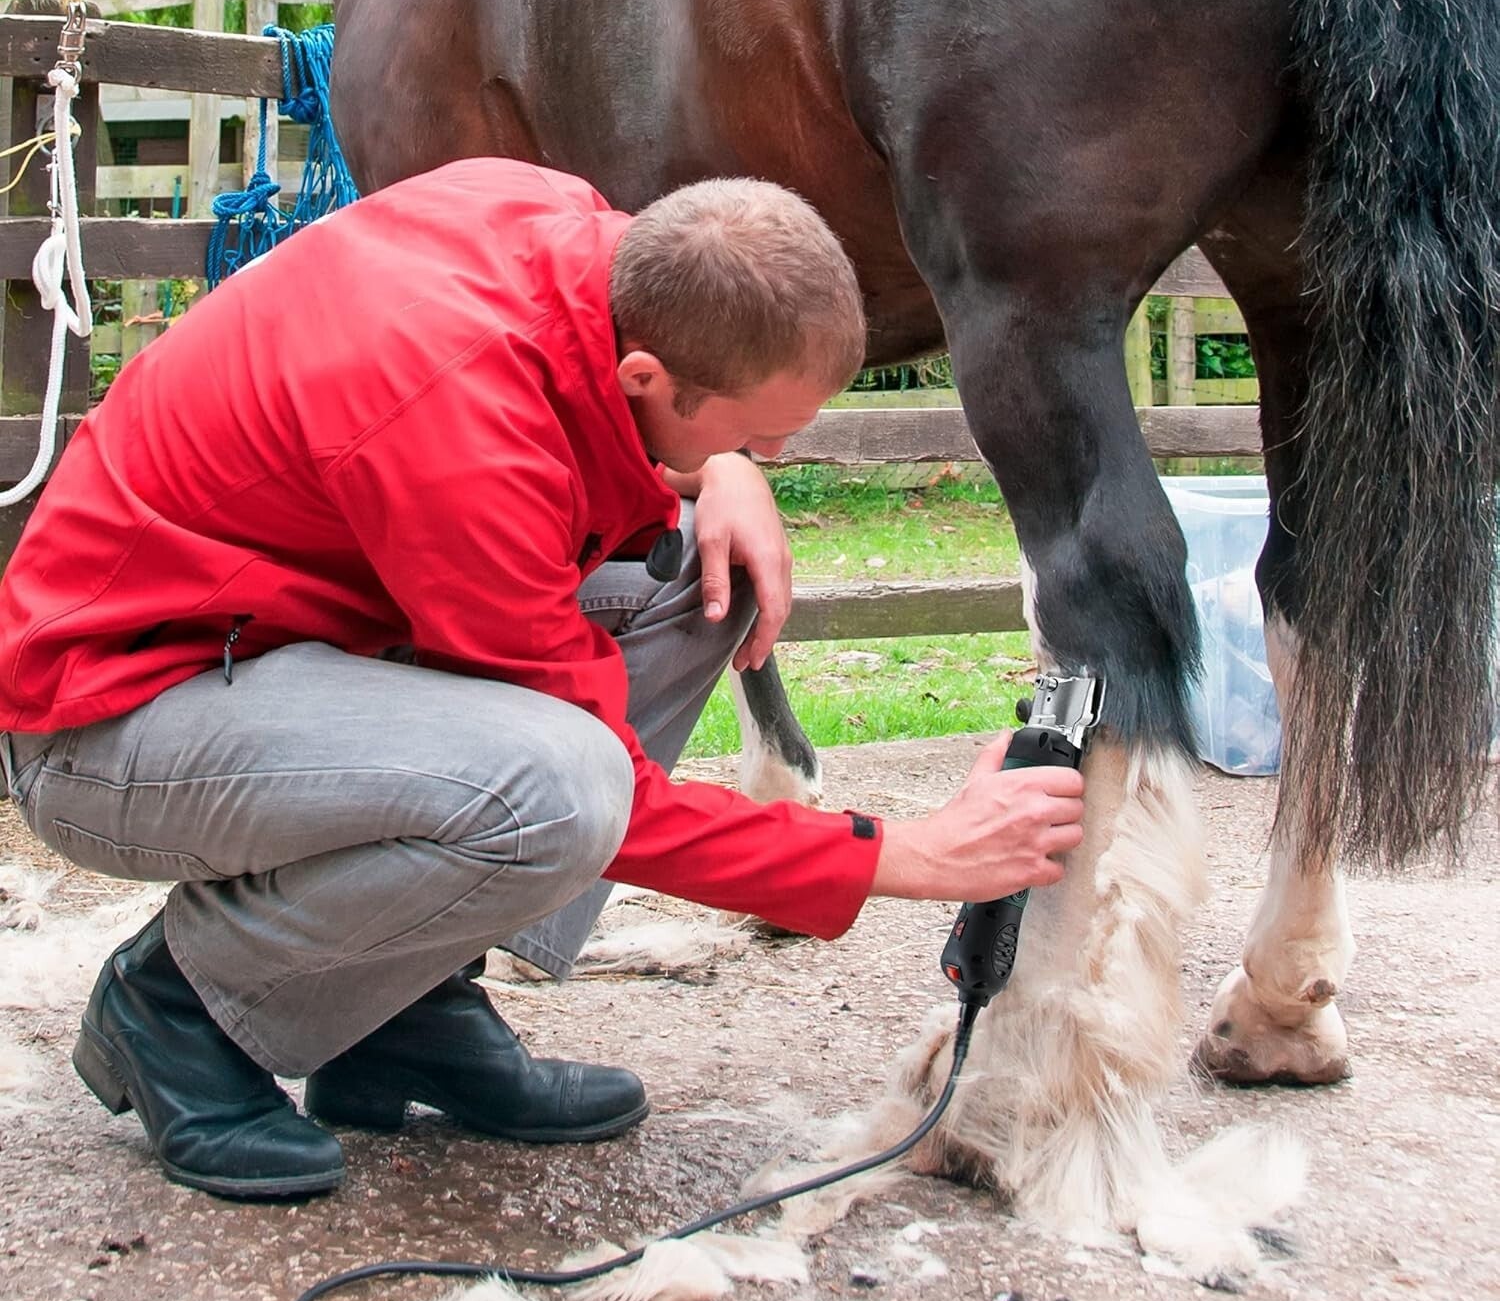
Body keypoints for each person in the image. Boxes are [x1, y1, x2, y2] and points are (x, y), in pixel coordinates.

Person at [0, 158, 1085, 1200]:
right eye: (762, 434)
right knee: (556, 793)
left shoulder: (574, 234)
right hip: (115, 721)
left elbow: (607, 461)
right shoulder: (461, 429)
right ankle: (179, 1004)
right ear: (648, 378)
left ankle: (403, 1003)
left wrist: (725, 466)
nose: (775, 456)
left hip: (298, 640)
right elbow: (616, 804)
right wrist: (912, 855)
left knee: (707, 577)